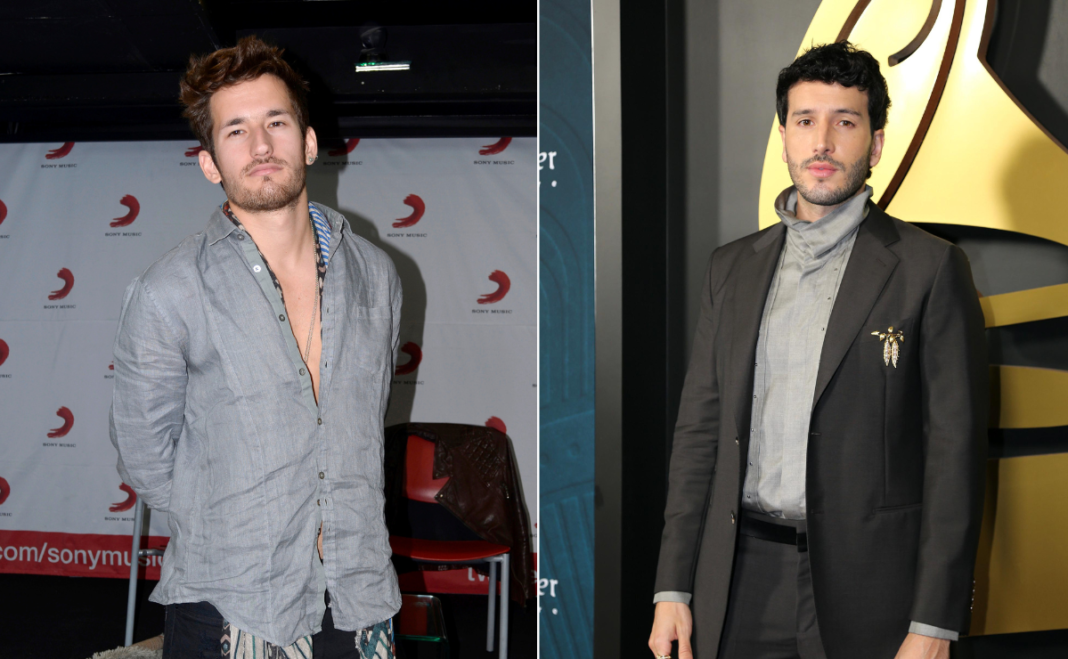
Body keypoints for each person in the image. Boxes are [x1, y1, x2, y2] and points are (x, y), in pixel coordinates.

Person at [647, 42, 987, 659]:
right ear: (784, 138)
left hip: (875, 590)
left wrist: (934, 624)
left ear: (875, 144)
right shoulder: (731, 268)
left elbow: (954, 457)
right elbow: (699, 434)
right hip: (740, 582)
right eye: (805, 121)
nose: (822, 142)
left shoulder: (930, 268)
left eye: (845, 122)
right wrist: (673, 587)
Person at [110, 36, 402, 658]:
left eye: (276, 122)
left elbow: (362, 422)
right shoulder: (169, 289)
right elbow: (145, 457)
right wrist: (236, 526)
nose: (261, 145)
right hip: (232, 600)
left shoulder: (376, 275)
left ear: (310, 142)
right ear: (210, 163)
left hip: (360, 590)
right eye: (236, 130)